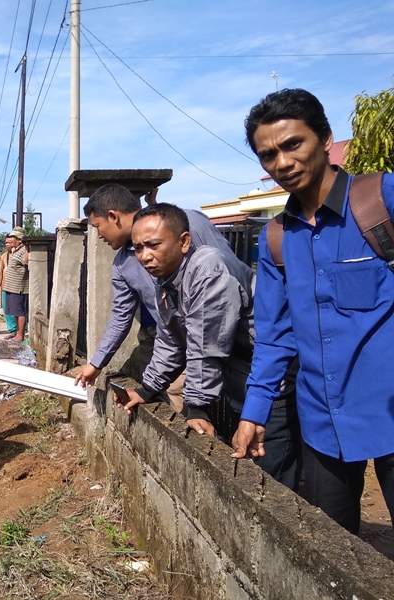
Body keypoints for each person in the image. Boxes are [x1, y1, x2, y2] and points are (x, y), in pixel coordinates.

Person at [232, 88, 394, 533]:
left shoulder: (380, 199)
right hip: (323, 422)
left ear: (325, 139)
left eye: (292, 144)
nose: (282, 162)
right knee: (332, 546)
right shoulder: (276, 238)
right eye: (268, 155)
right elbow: (275, 334)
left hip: (390, 409)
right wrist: (254, 412)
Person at [120, 203, 301, 490]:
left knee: (270, 478)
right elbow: (170, 341)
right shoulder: (165, 279)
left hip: (269, 382)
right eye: (138, 248)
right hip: (238, 380)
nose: (144, 256)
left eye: (153, 245)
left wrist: (197, 405)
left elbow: (206, 345)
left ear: (184, 242)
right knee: (242, 466)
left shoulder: (208, 269)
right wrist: (147, 388)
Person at [74, 183, 238, 414]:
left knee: (193, 401)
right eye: (140, 248)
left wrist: (197, 404)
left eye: (98, 227)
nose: (98, 235)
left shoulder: (190, 223)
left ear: (113, 216)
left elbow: (224, 279)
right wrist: (97, 363)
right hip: (170, 342)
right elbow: (123, 317)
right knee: (161, 398)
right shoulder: (122, 265)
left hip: (222, 339)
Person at [2, 227, 29, 342]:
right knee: (15, 313)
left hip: (18, 287)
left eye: (13, 238)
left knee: (19, 312)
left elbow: (27, 263)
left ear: (20, 240)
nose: (11, 240)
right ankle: (17, 334)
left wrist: (27, 248)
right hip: (10, 287)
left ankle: (20, 335)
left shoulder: (24, 250)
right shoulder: (15, 250)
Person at [0, 235, 18, 336]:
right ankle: (12, 330)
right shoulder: (4, 256)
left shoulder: (19, 254)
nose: (8, 244)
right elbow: (0, 272)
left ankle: (22, 330)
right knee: (7, 309)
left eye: (10, 242)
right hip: (5, 287)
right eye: (6, 243)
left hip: (17, 287)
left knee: (18, 309)